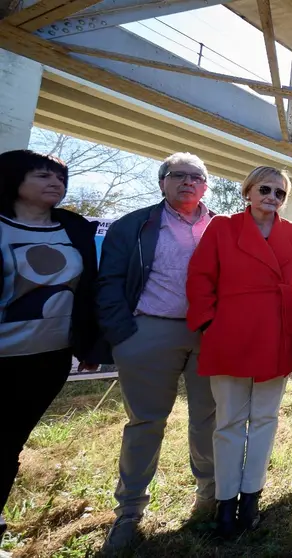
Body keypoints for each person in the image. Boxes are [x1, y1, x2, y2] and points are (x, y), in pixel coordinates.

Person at [96, 152, 216, 551]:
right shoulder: (135, 224)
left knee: (209, 418)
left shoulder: (222, 226)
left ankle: (209, 496)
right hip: (148, 330)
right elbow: (109, 279)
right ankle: (129, 511)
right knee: (146, 422)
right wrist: (123, 334)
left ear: (205, 186)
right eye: (177, 175)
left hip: (209, 335)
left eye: (196, 177)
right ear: (162, 182)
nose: (187, 182)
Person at [185, 166, 292, 537]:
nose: (272, 197)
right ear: (248, 191)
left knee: (265, 419)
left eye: (280, 193)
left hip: (279, 333)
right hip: (231, 332)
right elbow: (200, 276)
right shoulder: (223, 227)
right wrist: (209, 322)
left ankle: (251, 496)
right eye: (265, 189)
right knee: (228, 422)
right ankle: (226, 502)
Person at [0, 150, 103, 540]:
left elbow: (89, 290)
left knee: (10, 442)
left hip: (49, 357)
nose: (55, 183)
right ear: (13, 179)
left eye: (60, 178)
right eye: (42, 175)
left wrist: (89, 346)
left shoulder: (73, 229)